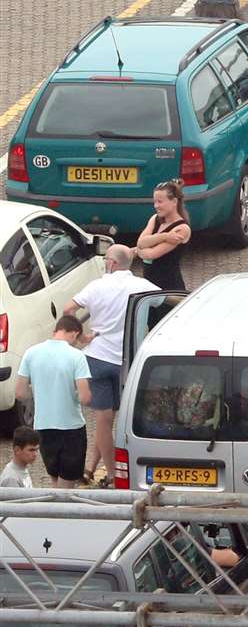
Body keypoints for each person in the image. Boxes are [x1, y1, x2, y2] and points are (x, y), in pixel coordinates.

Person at [71, 248, 159, 485]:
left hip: (97, 357)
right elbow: (165, 299)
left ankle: (111, 474)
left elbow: (69, 309)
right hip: (127, 362)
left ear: (110, 263)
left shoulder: (96, 286)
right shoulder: (141, 285)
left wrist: (80, 337)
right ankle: (100, 468)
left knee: (103, 421)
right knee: (121, 419)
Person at [16, 315, 92, 489]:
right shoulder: (77, 356)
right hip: (71, 427)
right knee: (67, 485)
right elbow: (85, 397)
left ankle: (54, 511)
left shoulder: (31, 353)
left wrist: (40, 393)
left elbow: (20, 393)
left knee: (55, 479)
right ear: (74, 334)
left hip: (43, 425)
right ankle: (59, 513)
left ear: (56, 330)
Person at [135, 181, 192, 292]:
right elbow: (140, 243)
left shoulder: (182, 229)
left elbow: (151, 254)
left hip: (169, 287)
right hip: (149, 286)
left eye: (160, 202)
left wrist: (140, 251)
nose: (156, 206)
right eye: (155, 202)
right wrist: (164, 236)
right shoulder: (155, 219)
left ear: (174, 202)